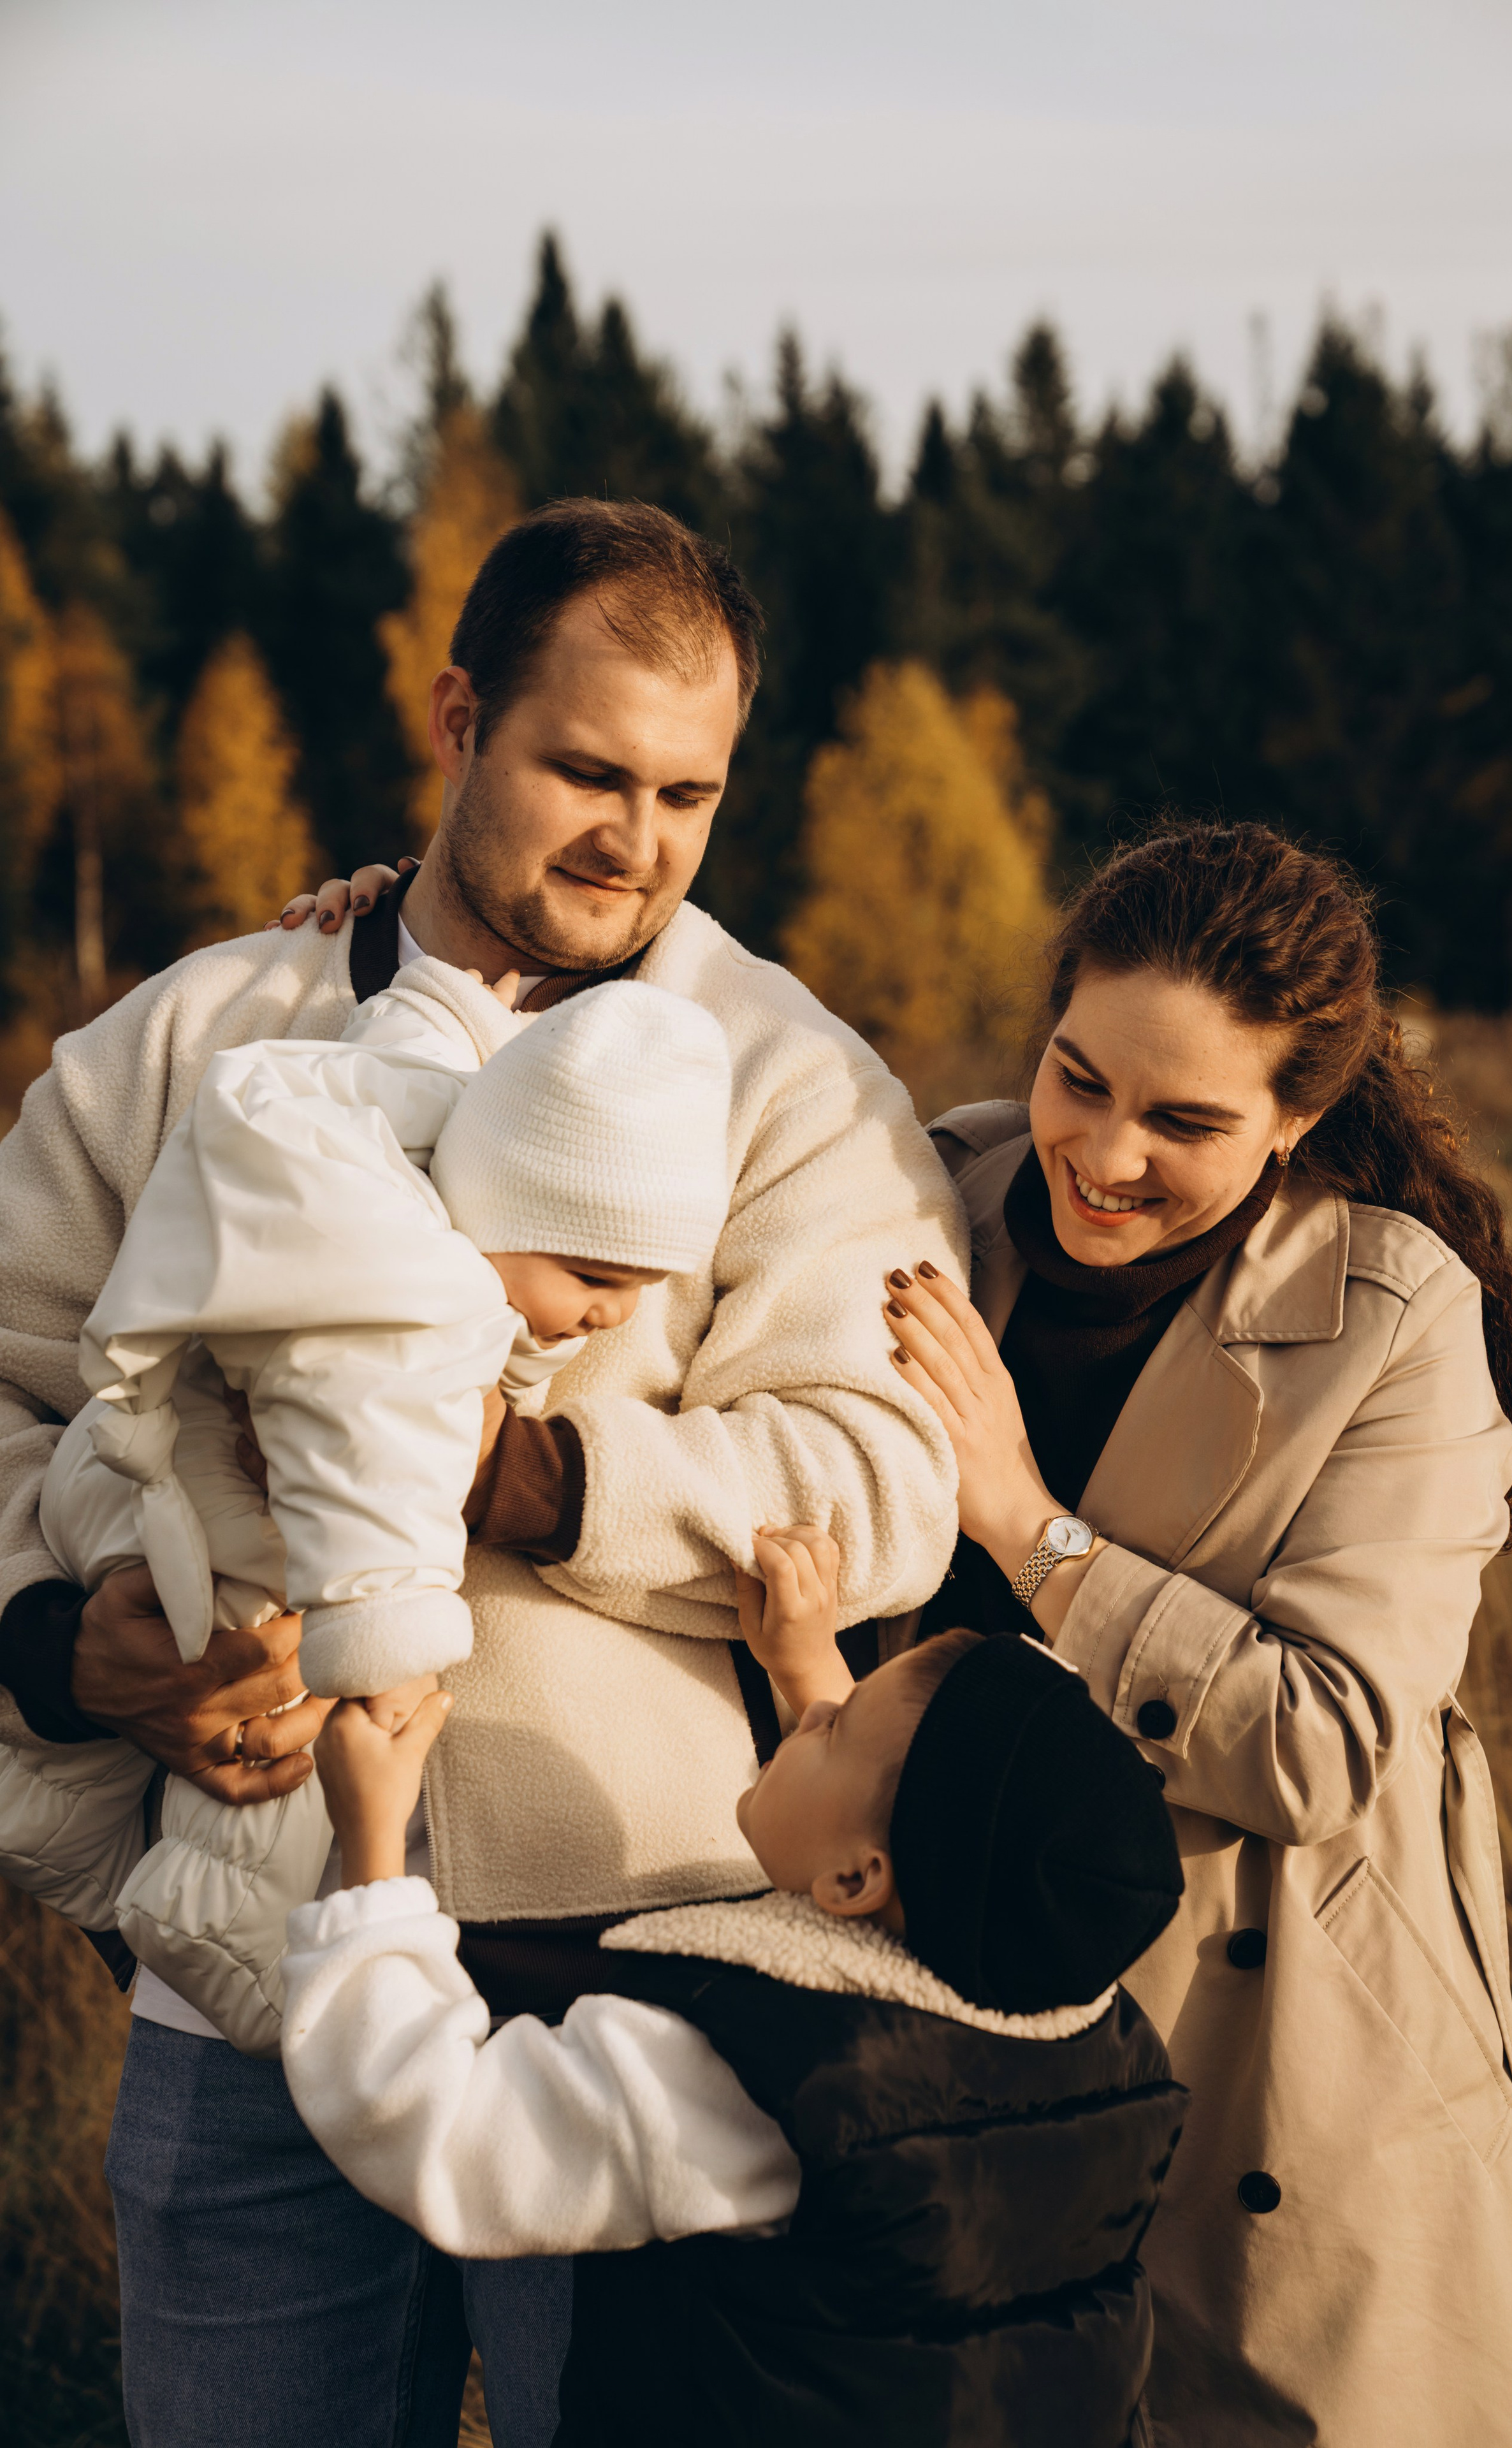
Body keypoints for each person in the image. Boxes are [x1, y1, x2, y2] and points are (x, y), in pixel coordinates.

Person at [0, 500, 965, 2448]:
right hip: (244, 1993)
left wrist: (531, 1477)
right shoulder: (185, 1049)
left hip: (640, 1993)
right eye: (586, 769)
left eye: (688, 791)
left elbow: (885, 1480)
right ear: (458, 717)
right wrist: (68, 1646)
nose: (638, 839)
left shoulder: (790, 1081)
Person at [879, 823, 1512, 2447]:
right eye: (1078, 1078)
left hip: (1267, 2050)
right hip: (933, 2005)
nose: (1103, 1153)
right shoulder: (924, 1188)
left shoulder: (1393, 1318)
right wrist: (370, 950)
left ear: (1297, 1122)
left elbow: (1322, 1740)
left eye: (1184, 1121)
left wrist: (1026, 1525)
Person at [279, 1523, 1188, 2448]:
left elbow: (441, 2135)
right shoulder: (1092, 2044)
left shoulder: (748, 2069)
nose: (810, 1716)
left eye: (834, 1724)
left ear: (854, 1882)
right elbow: (913, 1832)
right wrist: (808, 1669)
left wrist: (375, 1859)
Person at [3, 963, 732, 2054]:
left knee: (114, 1769)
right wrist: (390, 1653)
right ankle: (207, 1925)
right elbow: (376, 1500)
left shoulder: (385, 1154)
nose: (610, 1316)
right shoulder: (409, 1311)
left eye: (639, 1288)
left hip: (136, 1477)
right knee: (269, 1703)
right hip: (193, 1523)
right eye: (591, 1274)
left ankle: (99, 1866)